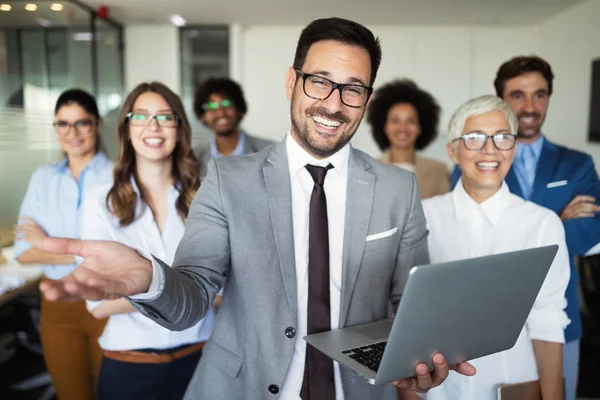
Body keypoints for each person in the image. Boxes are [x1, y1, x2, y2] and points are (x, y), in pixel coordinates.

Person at [37, 17, 475, 400]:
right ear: (292, 81)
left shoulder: (399, 187)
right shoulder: (228, 180)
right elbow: (194, 293)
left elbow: (408, 306)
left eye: (353, 89)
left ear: (367, 98)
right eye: (319, 81)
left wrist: (418, 360)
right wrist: (150, 278)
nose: (333, 103)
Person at [450, 56, 600, 400]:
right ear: (501, 100)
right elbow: (474, 240)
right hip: (487, 323)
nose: (530, 106)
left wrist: (538, 226)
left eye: (540, 95)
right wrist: (556, 221)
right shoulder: (475, 159)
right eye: (517, 95)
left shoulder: (576, 163)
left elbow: (591, 232)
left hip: (559, 321)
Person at [415, 95, 569, 400]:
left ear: (513, 147)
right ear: (453, 151)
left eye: (502, 138)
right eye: (474, 138)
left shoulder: (541, 224)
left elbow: (547, 324)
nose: (490, 150)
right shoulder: (423, 217)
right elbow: (404, 316)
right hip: (438, 393)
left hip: (512, 386)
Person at [81, 82, 216, 399]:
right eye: (140, 116)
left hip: (204, 359)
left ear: (179, 128)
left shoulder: (208, 196)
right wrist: (187, 290)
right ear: (127, 128)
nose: (153, 126)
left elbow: (228, 288)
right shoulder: (99, 201)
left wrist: (140, 287)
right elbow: (98, 304)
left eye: (165, 117)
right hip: (130, 366)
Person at [12, 89, 114, 400]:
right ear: (56, 128)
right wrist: (84, 251)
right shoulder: (43, 178)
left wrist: (48, 244)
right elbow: (25, 251)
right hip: (58, 306)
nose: (72, 133)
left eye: (81, 123)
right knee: (72, 394)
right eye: (63, 124)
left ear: (96, 124)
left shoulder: (117, 175)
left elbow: (120, 252)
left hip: (107, 302)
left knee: (113, 392)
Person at [366, 79, 449, 199]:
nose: (403, 128)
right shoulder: (368, 169)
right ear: (384, 126)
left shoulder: (439, 171)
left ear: (421, 127)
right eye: (395, 121)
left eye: (411, 121)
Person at [193, 77, 274, 179]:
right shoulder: (193, 159)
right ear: (202, 116)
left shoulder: (269, 152)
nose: (221, 113)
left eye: (227, 103)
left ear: (239, 109)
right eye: (212, 106)